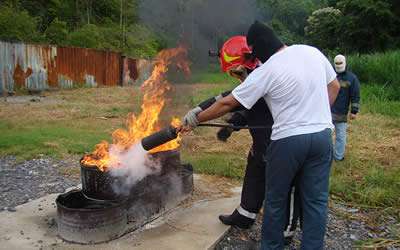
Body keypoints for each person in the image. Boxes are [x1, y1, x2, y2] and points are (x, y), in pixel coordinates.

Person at [181, 21, 340, 249]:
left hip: (288, 142)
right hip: (322, 137)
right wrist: (318, 114)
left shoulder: (267, 70)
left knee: (275, 201)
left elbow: (228, 102)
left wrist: (197, 118)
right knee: (316, 202)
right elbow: (334, 86)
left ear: (261, 46)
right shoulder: (311, 52)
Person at [184, 36, 301, 240]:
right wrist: (230, 121)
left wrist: (197, 116)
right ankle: (245, 215)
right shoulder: (256, 75)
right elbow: (240, 101)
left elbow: (229, 100)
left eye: (236, 72)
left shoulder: (267, 75)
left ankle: (286, 231)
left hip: (284, 140)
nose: (236, 77)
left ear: (246, 64)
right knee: (255, 166)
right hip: (263, 142)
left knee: (286, 184)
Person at [331, 54, 361, 161]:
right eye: (337, 63)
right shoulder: (329, 76)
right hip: (327, 112)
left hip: (341, 112)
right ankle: (326, 156)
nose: (338, 65)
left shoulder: (352, 78)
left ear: (345, 63)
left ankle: (338, 157)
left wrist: (354, 111)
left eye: (340, 63)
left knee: (340, 136)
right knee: (325, 136)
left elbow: (355, 95)